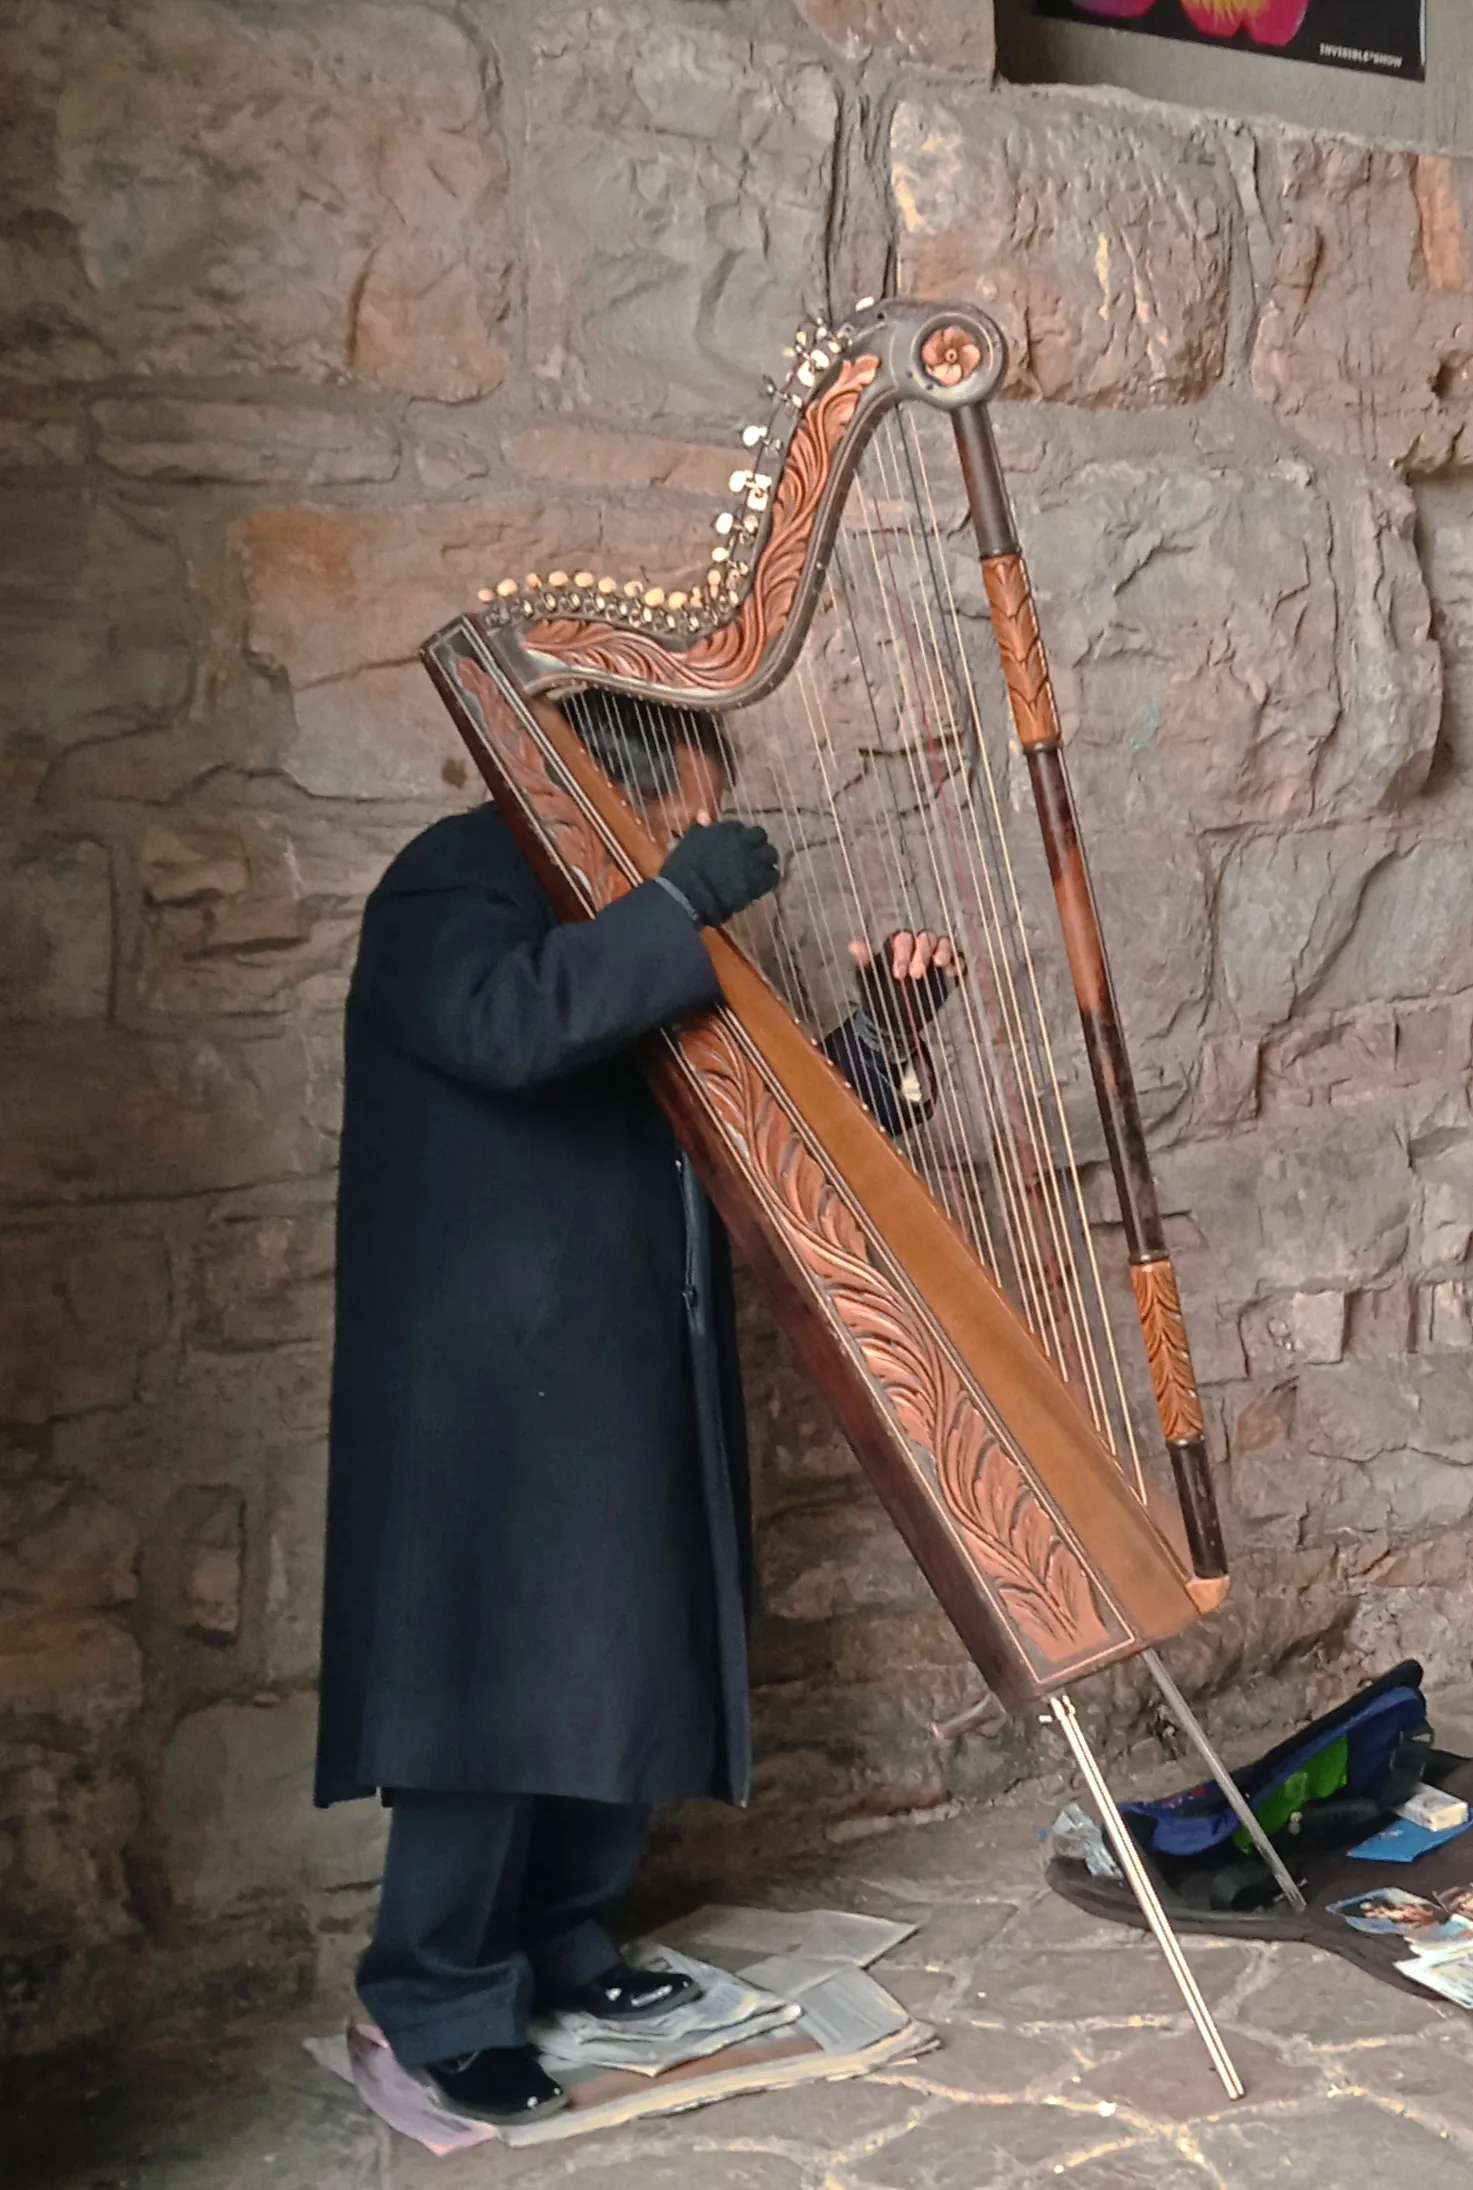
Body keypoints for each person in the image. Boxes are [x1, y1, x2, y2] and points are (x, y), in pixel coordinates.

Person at [315, 690, 955, 2127]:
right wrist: (671, 903)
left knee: (615, 1659)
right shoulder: (452, 883)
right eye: (679, 810)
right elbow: (507, 1027)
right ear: (596, 798)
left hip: (621, 1352)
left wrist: (894, 1030)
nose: (695, 835)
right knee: (488, 1688)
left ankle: (567, 1943)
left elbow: (756, 1119)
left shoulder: (638, 925)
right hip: (488, 1376)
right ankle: (441, 1996)